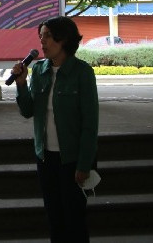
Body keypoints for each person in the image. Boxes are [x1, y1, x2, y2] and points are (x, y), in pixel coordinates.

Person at [10, 16, 99, 243]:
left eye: (48, 36)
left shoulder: (82, 72)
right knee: (55, 218)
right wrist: (21, 84)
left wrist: (84, 164)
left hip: (72, 159)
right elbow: (28, 111)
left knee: (74, 220)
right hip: (45, 158)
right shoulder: (40, 70)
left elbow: (90, 124)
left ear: (64, 39)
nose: (42, 41)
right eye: (41, 36)